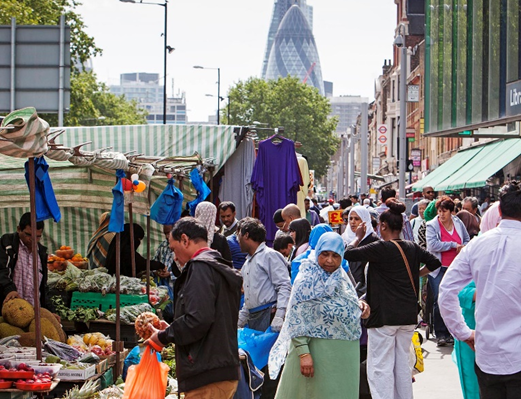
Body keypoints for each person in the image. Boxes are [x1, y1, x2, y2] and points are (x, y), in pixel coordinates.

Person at [344, 199, 441, 399]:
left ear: (383, 226)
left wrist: (358, 237)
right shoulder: (411, 247)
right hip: (407, 316)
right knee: (402, 367)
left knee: (380, 367)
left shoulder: (381, 248)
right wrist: (416, 275)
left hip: (384, 317)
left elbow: (349, 253)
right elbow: (434, 262)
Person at [439, 181, 521, 399]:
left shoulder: (477, 245)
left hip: (488, 356)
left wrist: (463, 333)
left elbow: (446, 290)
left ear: (500, 210)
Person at [147, 217, 242, 398]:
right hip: (219, 370)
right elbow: (206, 316)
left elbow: (198, 319)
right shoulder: (217, 265)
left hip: (207, 373)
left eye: (174, 249)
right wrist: (173, 329)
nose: (174, 257)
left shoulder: (200, 268)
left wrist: (163, 337)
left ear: (185, 240)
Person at [269, 232, 369, 399]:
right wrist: (303, 353)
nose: (330, 260)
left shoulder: (342, 278)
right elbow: (296, 317)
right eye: (325, 254)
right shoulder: (307, 279)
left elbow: (348, 303)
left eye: (335, 256)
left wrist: (361, 307)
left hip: (343, 359)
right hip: (316, 355)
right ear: (317, 253)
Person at [236, 217, 292, 399]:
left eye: (238, 234)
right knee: (255, 366)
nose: (236, 239)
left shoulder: (270, 255)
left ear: (246, 235)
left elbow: (284, 285)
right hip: (254, 319)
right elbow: (249, 299)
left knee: (270, 368)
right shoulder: (247, 263)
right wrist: (240, 319)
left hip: (269, 318)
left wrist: (280, 316)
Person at [426, 195, 470, 346]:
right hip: (438, 269)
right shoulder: (432, 225)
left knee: (455, 299)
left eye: (445, 211)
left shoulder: (458, 223)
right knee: (440, 299)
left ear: (452, 212)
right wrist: (452, 245)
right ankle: (441, 333)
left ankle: (453, 331)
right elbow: (432, 245)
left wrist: (462, 247)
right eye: (439, 211)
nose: (441, 214)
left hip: (456, 268)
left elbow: (466, 240)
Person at [0, 213, 52, 308]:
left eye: (38, 236)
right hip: (9, 307)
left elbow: (43, 287)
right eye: (28, 234)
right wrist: (9, 289)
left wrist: (50, 309)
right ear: (19, 229)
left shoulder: (41, 253)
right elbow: (2, 270)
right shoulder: (7, 244)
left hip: (33, 311)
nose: (33, 240)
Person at [342, 207, 380, 297]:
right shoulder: (344, 238)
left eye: (357, 219)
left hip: (366, 289)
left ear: (365, 220)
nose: (352, 222)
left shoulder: (373, 239)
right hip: (348, 286)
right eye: (350, 219)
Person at [153, 224, 176, 322]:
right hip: (162, 287)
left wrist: (170, 274)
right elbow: (155, 262)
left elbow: (185, 270)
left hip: (174, 287)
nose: (167, 236)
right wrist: (157, 271)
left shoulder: (179, 247)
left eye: (169, 233)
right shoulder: (162, 246)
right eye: (165, 233)